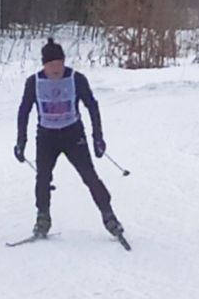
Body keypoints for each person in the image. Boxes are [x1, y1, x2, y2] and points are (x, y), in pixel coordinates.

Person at [16, 39, 123, 240]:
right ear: (44, 65)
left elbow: (92, 106)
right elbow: (24, 111)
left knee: (89, 176)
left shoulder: (76, 79)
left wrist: (97, 137)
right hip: (47, 136)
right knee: (43, 177)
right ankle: (43, 218)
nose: (55, 70)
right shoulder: (34, 82)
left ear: (64, 62)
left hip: (73, 134)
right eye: (51, 66)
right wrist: (21, 141)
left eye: (59, 64)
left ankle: (109, 216)